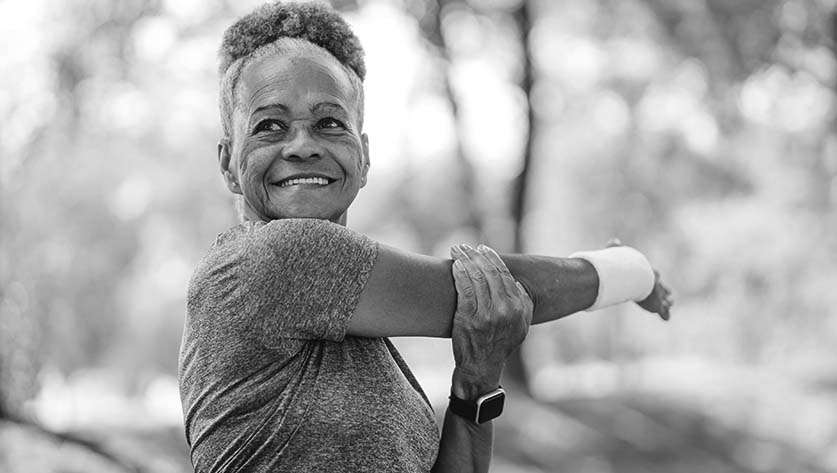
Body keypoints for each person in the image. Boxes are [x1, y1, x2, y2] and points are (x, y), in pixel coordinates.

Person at [178, 2, 673, 472]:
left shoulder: (363, 324)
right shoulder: (274, 260)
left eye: (330, 122)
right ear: (227, 163)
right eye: (269, 125)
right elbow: (489, 285)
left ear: (363, 156)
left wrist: (476, 383)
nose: (303, 145)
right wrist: (629, 271)